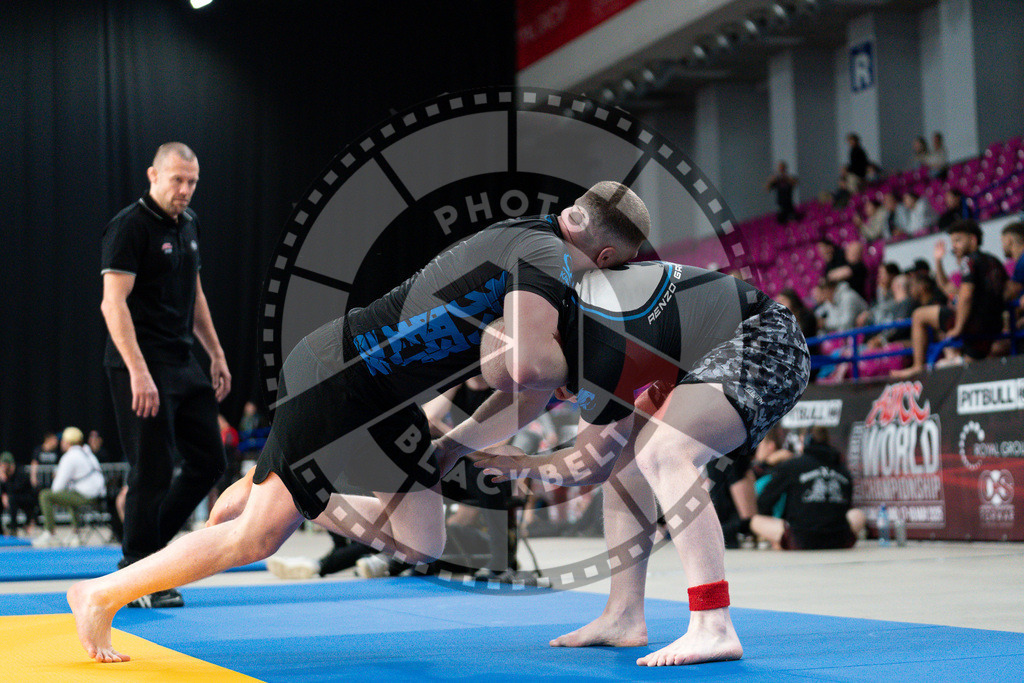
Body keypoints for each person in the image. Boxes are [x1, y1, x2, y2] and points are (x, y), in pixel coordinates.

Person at [69, 181, 650, 662]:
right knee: (258, 537)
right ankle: (101, 594)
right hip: (337, 373)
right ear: (604, 258)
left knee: (423, 542)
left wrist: (451, 443)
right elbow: (527, 369)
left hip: (389, 401)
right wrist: (564, 366)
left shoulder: (539, 246)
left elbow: (522, 395)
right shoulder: (544, 254)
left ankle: (293, 489)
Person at [474, 259, 810, 667]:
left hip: (763, 336)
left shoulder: (594, 342)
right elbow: (604, 457)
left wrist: (518, 464)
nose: (557, 397)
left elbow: (588, 464)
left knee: (666, 452)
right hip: (702, 356)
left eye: (545, 387)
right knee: (625, 455)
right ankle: (624, 615)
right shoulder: (568, 315)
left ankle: (714, 622)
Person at [100, 142, 231, 607]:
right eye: (177, 179)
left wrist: (215, 352)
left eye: (192, 181)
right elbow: (111, 303)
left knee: (210, 463)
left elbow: (195, 293)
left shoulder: (190, 225)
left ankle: (151, 554)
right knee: (151, 471)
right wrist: (137, 371)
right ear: (153, 174)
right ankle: (137, 573)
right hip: (140, 363)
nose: (185, 189)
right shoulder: (129, 227)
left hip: (182, 362)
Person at [892, 221, 1008, 377]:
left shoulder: (969, 261)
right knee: (969, 374)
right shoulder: (994, 261)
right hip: (993, 325)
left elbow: (966, 295)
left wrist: (958, 327)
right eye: (952, 241)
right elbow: (948, 287)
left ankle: (918, 366)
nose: (954, 246)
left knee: (919, 315)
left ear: (973, 240)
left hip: (972, 324)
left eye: (958, 240)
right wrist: (938, 261)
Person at [750, 427, 865, 550]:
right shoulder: (843, 470)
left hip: (800, 540)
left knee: (755, 521)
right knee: (858, 514)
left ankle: (780, 542)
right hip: (839, 540)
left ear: (804, 441)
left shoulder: (793, 465)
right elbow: (846, 506)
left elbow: (764, 501)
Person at [32, 427, 106, 548]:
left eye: (63, 441)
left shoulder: (69, 457)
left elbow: (57, 488)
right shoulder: (86, 451)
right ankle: (76, 534)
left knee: (45, 495)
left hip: (87, 496)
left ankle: (50, 534)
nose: (61, 443)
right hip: (99, 496)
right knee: (69, 495)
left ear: (68, 442)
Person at [1, 452, 38, 536]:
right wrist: (4, 495)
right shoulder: (4, 473)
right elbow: (3, 490)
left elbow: (17, 489)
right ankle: (7, 528)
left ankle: (15, 527)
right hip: (14, 498)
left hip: (27, 498)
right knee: (11, 500)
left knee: (13, 499)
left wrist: (6, 480)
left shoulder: (20, 471)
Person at [1002, 222, 1024, 311]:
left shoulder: (1022, 262)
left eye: (1002, 241)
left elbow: (1012, 291)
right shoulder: (1020, 262)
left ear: (1009, 240)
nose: (1002, 246)